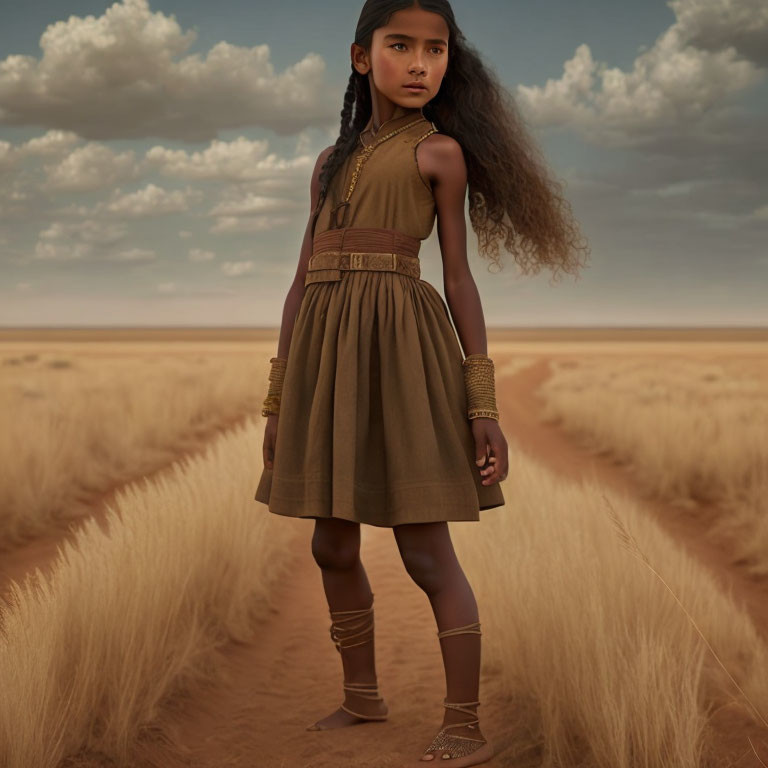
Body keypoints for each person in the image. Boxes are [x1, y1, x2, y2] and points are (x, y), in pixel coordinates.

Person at [254, 1, 589, 764]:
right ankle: (362, 698)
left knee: (425, 553)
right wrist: (278, 399)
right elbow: (302, 279)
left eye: (434, 50)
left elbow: (461, 281)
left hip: (405, 357)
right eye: (400, 45)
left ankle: (464, 725)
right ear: (361, 57)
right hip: (325, 363)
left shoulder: (439, 154)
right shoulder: (326, 166)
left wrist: (483, 405)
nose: (419, 63)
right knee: (331, 545)